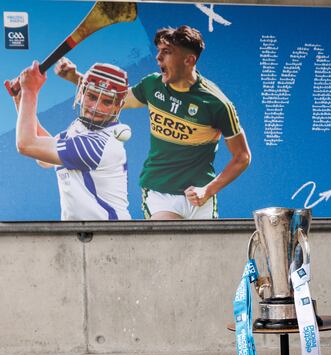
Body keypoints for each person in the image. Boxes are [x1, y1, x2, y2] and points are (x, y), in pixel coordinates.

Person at [57, 25, 251, 219]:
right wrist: (74, 77)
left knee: (201, 251)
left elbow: (242, 156)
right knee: (168, 245)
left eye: (166, 52)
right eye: (158, 51)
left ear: (189, 60)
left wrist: (207, 190)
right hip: (160, 193)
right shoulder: (152, 85)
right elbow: (114, 98)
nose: (158, 58)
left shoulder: (217, 103)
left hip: (200, 197)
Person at [7, 61, 132, 221]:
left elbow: (27, 145)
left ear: (117, 107)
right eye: (92, 97)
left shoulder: (98, 144)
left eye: (107, 102)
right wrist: (21, 101)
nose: (96, 108)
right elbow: (45, 159)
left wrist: (30, 91)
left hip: (109, 236)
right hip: (84, 234)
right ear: (81, 93)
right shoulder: (80, 128)